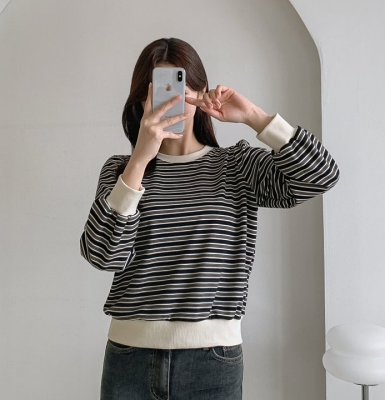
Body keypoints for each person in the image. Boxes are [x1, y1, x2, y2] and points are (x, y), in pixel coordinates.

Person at [80, 38, 339, 400]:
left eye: (180, 87)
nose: (171, 100)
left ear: (200, 93)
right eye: (158, 89)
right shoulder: (121, 171)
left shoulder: (236, 166)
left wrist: (254, 116)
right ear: (141, 99)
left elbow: (321, 176)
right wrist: (139, 160)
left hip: (212, 363)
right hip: (129, 360)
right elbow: (103, 255)